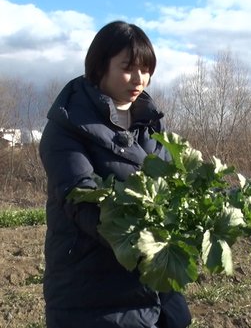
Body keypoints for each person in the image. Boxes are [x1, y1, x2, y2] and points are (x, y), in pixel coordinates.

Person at [39, 21, 191, 328]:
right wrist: (144, 238)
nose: (140, 79)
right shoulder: (66, 127)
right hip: (92, 292)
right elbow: (81, 200)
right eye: (128, 68)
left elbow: (173, 186)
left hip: (155, 288)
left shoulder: (150, 123)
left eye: (146, 69)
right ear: (99, 67)